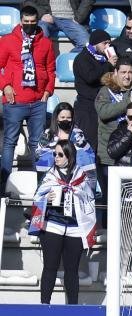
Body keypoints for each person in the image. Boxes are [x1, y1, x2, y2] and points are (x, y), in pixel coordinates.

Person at [32, 139, 96, 304]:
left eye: (60, 154)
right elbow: (37, 196)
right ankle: (44, 304)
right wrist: (47, 197)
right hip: (53, 225)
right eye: (54, 154)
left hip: (75, 227)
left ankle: (72, 307)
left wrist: (77, 193)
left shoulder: (82, 176)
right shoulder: (50, 175)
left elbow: (91, 198)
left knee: (72, 270)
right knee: (50, 267)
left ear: (69, 155)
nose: (56, 158)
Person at [0, 5, 55, 190]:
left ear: (37, 22)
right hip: (14, 101)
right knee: (10, 142)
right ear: (20, 22)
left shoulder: (45, 43)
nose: (29, 25)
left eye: (33, 22)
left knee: (37, 144)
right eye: (26, 22)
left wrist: (47, 92)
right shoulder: (7, 41)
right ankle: (3, 183)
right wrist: (5, 85)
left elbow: (50, 69)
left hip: (37, 102)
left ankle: (40, 185)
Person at [72, 29, 116, 150]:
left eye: (109, 43)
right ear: (95, 43)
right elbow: (90, 77)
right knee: (90, 143)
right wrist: (108, 65)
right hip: (87, 107)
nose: (108, 46)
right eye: (105, 43)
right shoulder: (83, 58)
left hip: (102, 104)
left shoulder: (103, 58)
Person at [35, 102, 95, 174]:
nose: (65, 120)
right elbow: (39, 154)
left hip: (73, 172)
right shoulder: (47, 134)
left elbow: (87, 154)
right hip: (52, 174)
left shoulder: (78, 134)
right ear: (57, 118)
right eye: (62, 117)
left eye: (68, 118)